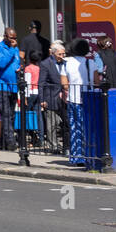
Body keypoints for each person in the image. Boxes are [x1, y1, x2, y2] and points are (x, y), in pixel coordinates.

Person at [65, 38, 92, 166]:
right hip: (88, 99)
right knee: (87, 128)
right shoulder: (90, 63)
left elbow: (64, 84)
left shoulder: (67, 63)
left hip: (72, 98)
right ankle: (89, 155)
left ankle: (76, 157)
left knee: (74, 128)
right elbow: (97, 81)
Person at [0, 29, 20, 150]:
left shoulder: (15, 48)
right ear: (5, 37)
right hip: (2, 85)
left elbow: (16, 62)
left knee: (11, 115)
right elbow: (2, 63)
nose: (13, 40)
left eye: (15, 38)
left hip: (13, 85)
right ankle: (10, 141)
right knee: (6, 114)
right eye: (11, 38)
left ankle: (2, 142)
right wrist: (11, 49)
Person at [39, 43, 68, 150]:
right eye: (60, 54)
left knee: (62, 122)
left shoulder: (66, 63)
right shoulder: (46, 64)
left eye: (63, 54)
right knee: (52, 123)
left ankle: (64, 145)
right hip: (51, 96)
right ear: (53, 53)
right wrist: (42, 99)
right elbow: (41, 82)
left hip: (64, 97)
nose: (62, 56)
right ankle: (53, 145)